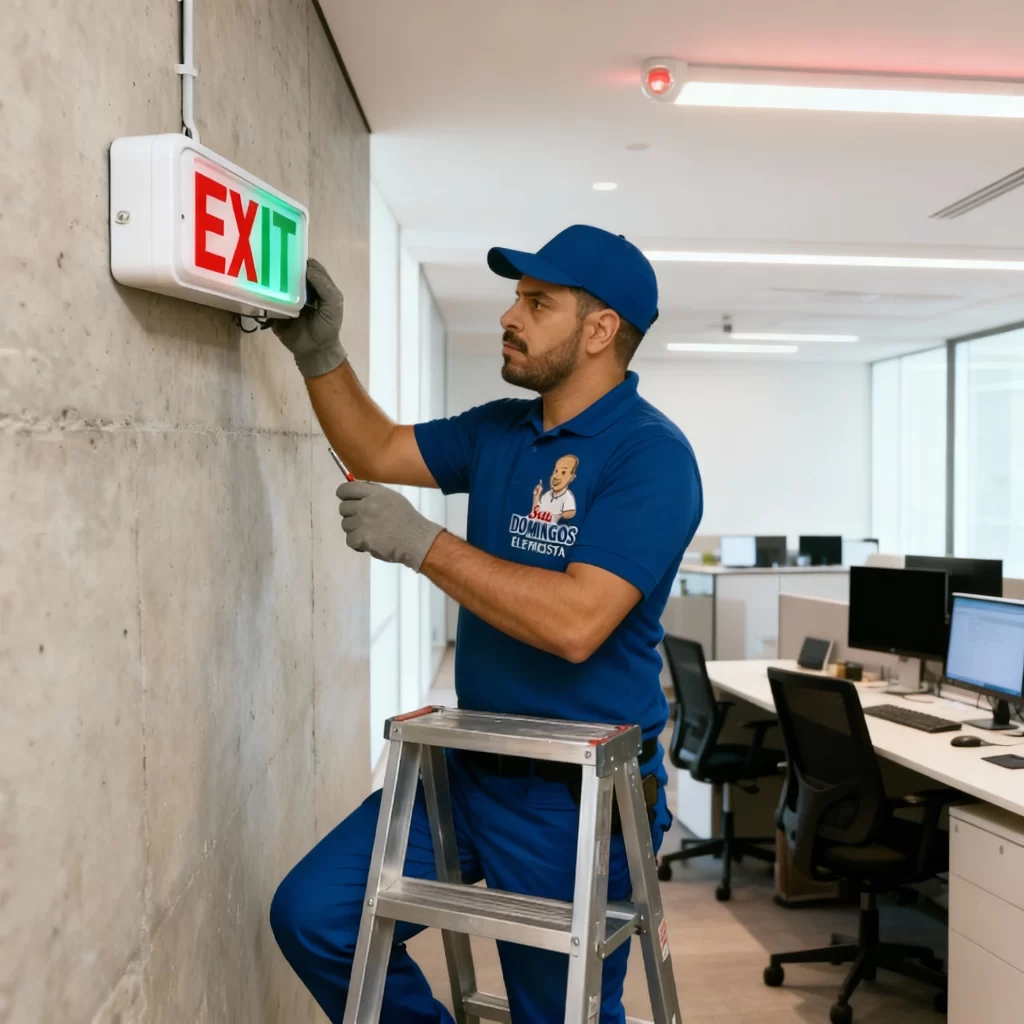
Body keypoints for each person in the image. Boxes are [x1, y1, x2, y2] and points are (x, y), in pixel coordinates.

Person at [269, 224, 703, 1023]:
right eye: (516, 298)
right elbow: (378, 446)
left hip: (574, 800)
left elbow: (577, 622)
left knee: (556, 1014)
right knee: (317, 915)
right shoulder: (502, 429)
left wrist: (424, 544)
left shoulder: (651, 457)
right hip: (470, 771)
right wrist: (320, 355)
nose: (510, 315)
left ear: (600, 330)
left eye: (538, 303)